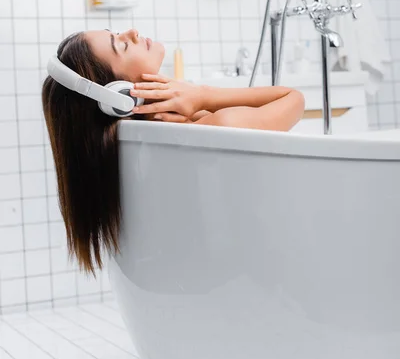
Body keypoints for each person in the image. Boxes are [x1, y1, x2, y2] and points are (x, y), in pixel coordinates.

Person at [42, 28, 304, 275]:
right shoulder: (216, 129)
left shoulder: (135, 142)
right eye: (121, 45)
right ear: (119, 97)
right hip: (260, 265)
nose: (132, 32)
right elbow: (293, 98)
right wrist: (203, 95)